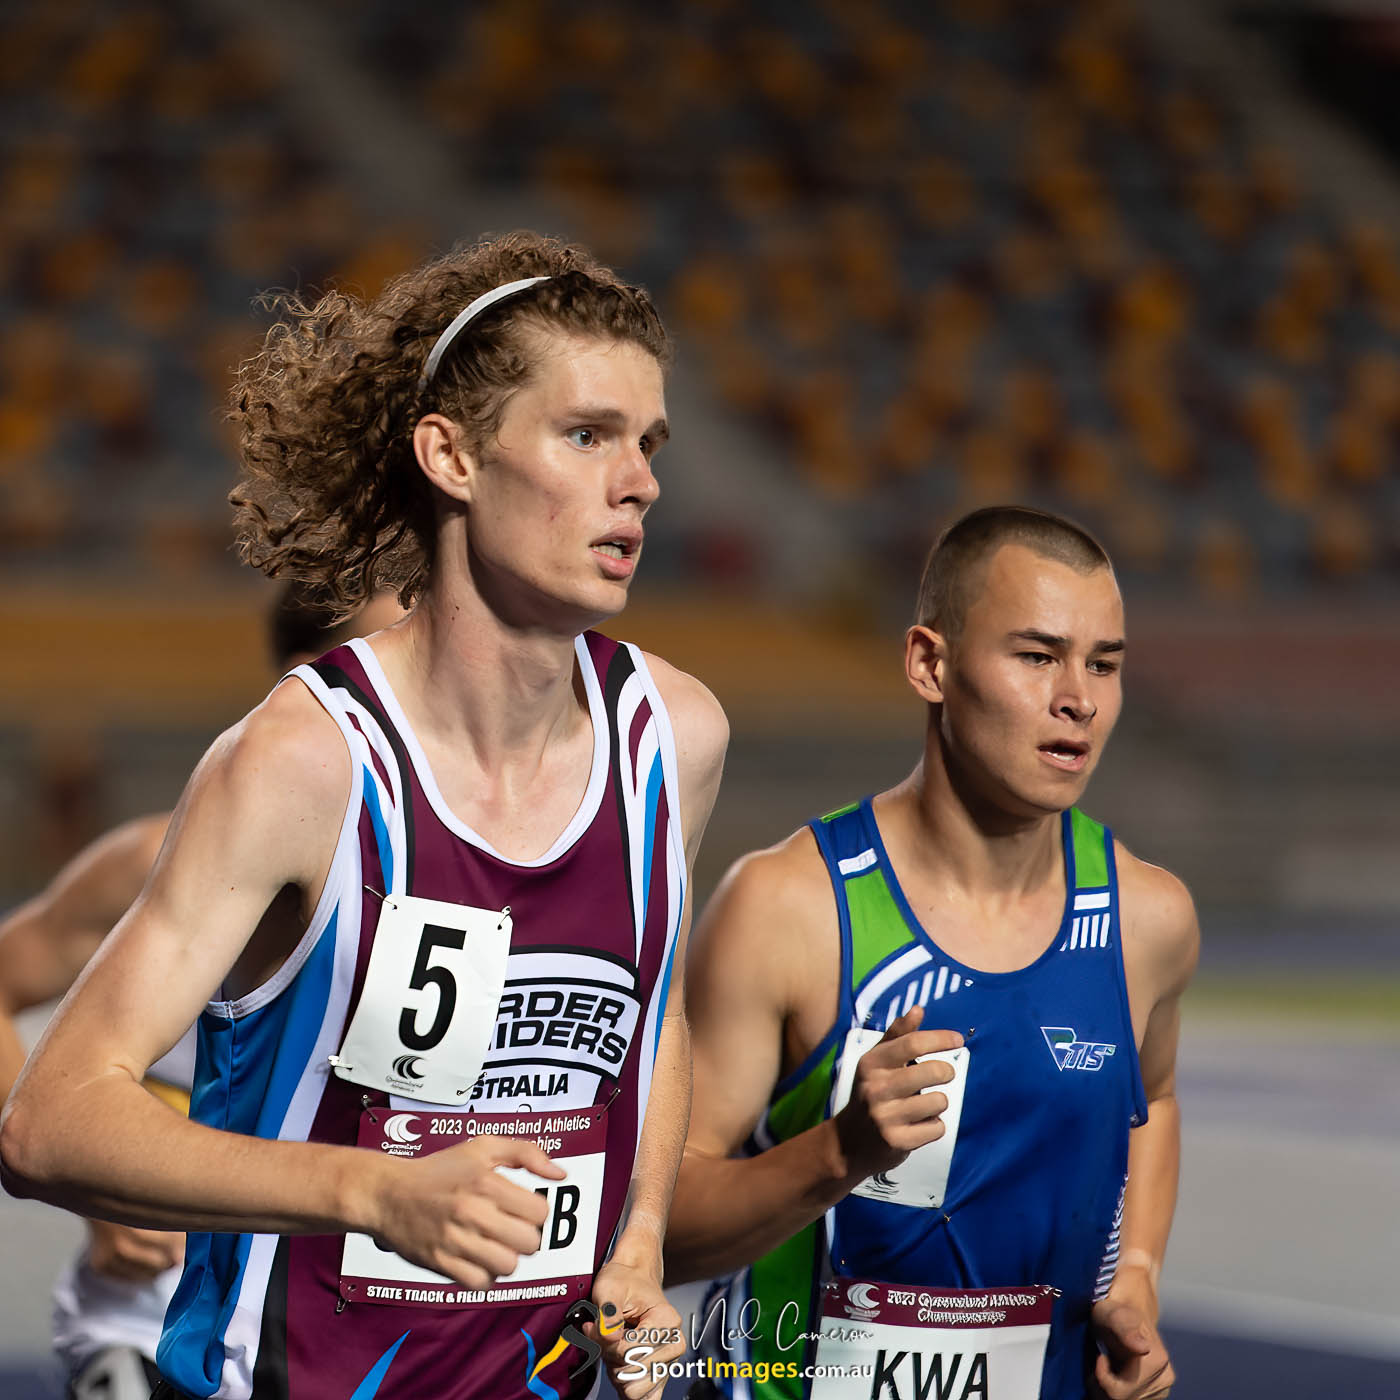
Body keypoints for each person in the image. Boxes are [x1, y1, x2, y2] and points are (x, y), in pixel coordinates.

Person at [2, 231, 728, 1400]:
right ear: (449, 454)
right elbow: (47, 1123)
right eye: (585, 434)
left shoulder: (676, 739)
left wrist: (638, 1243)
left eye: (647, 443)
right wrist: (373, 1190)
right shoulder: (307, 759)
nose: (637, 479)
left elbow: (657, 1013)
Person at [666, 507, 1196, 1400]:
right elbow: (661, 1229)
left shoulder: (1149, 918)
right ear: (929, 664)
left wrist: (1136, 1269)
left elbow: (1154, 1098)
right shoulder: (790, 908)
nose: (1081, 698)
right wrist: (841, 1150)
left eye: (1103, 664)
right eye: (1037, 657)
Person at [0, 584, 404, 1400]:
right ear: (311, 675)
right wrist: (100, 1205)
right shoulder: (156, 859)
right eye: (397, 652)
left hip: (347, 1326)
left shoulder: (451, 882)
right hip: (153, 1320)